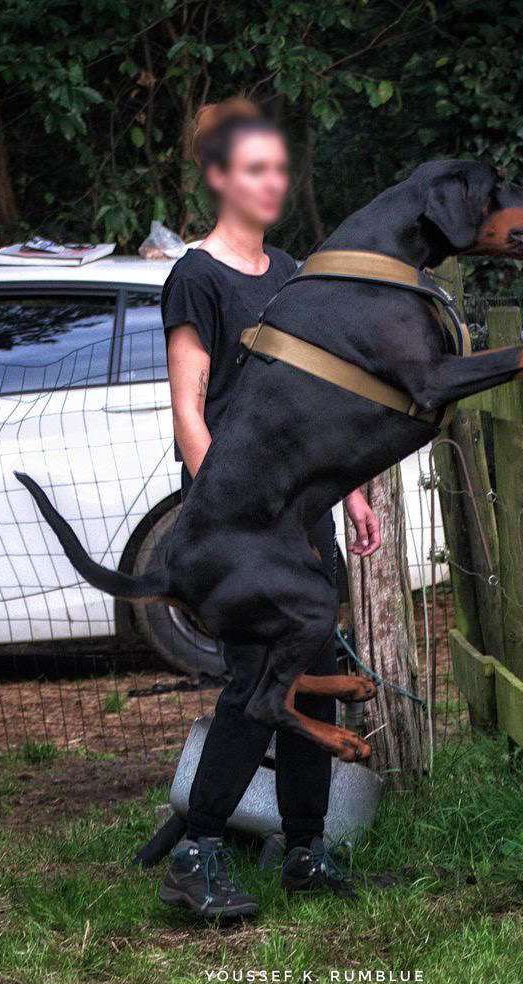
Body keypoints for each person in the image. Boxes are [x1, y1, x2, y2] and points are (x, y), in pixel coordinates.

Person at [158, 97, 381, 918]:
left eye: (279, 168)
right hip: (240, 531)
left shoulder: (292, 276)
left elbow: (316, 410)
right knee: (258, 682)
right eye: (255, 168)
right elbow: (189, 409)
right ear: (218, 177)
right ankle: (197, 855)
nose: (272, 182)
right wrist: (233, 514)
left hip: (305, 519)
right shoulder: (197, 278)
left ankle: (305, 852)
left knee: (313, 678)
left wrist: (352, 491)